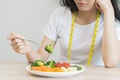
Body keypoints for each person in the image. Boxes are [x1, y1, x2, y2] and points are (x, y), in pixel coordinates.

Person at [7, 0, 120, 68]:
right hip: (63, 75)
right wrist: (28, 51)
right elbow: (40, 58)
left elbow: (110, 62)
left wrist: (109, 11)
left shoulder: (110, 21)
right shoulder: (60, 14)